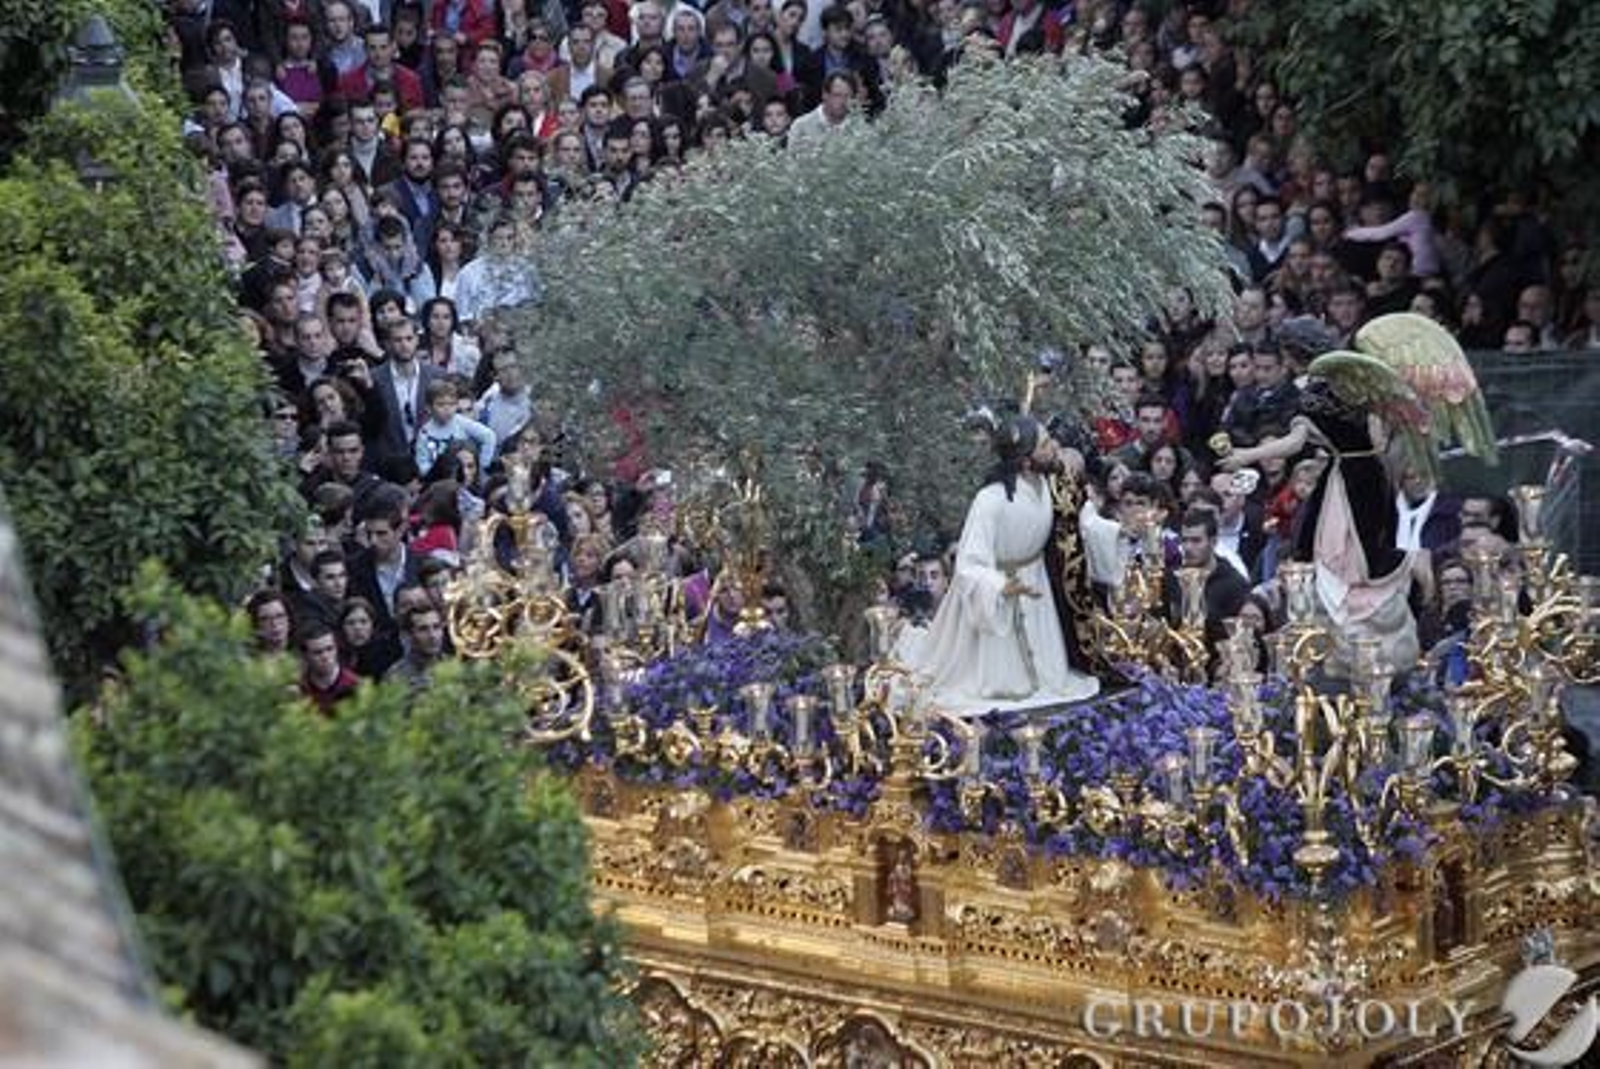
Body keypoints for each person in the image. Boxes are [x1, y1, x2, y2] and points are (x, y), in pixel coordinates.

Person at [894, 415, 1099, 713]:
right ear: (1027, 461)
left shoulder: (1051, 484)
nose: (1054, 446)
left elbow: (1079, 516)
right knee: (995, 686)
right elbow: (969, 564)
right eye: (1045, 444)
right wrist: (1000, 586)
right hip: (1001, 592)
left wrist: (1116, 532)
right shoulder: (990, 501)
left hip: (1036, 583)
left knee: (1047, 673)